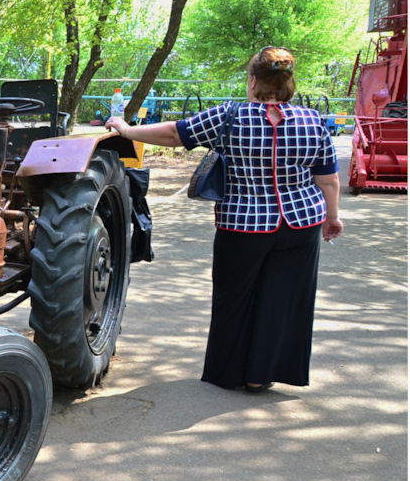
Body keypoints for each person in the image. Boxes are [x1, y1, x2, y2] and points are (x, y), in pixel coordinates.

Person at [105, 48, 344, 392]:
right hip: (300, 224)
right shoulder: (314, 122)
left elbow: (175, 134)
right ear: (290, 83)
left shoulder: (229, 116)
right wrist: (331, 218)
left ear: (252, 81)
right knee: (283, 299)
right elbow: (328, 180)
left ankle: (230, 373)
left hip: (243, 225)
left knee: (235, 298)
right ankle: (262, 374)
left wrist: (127, 131)